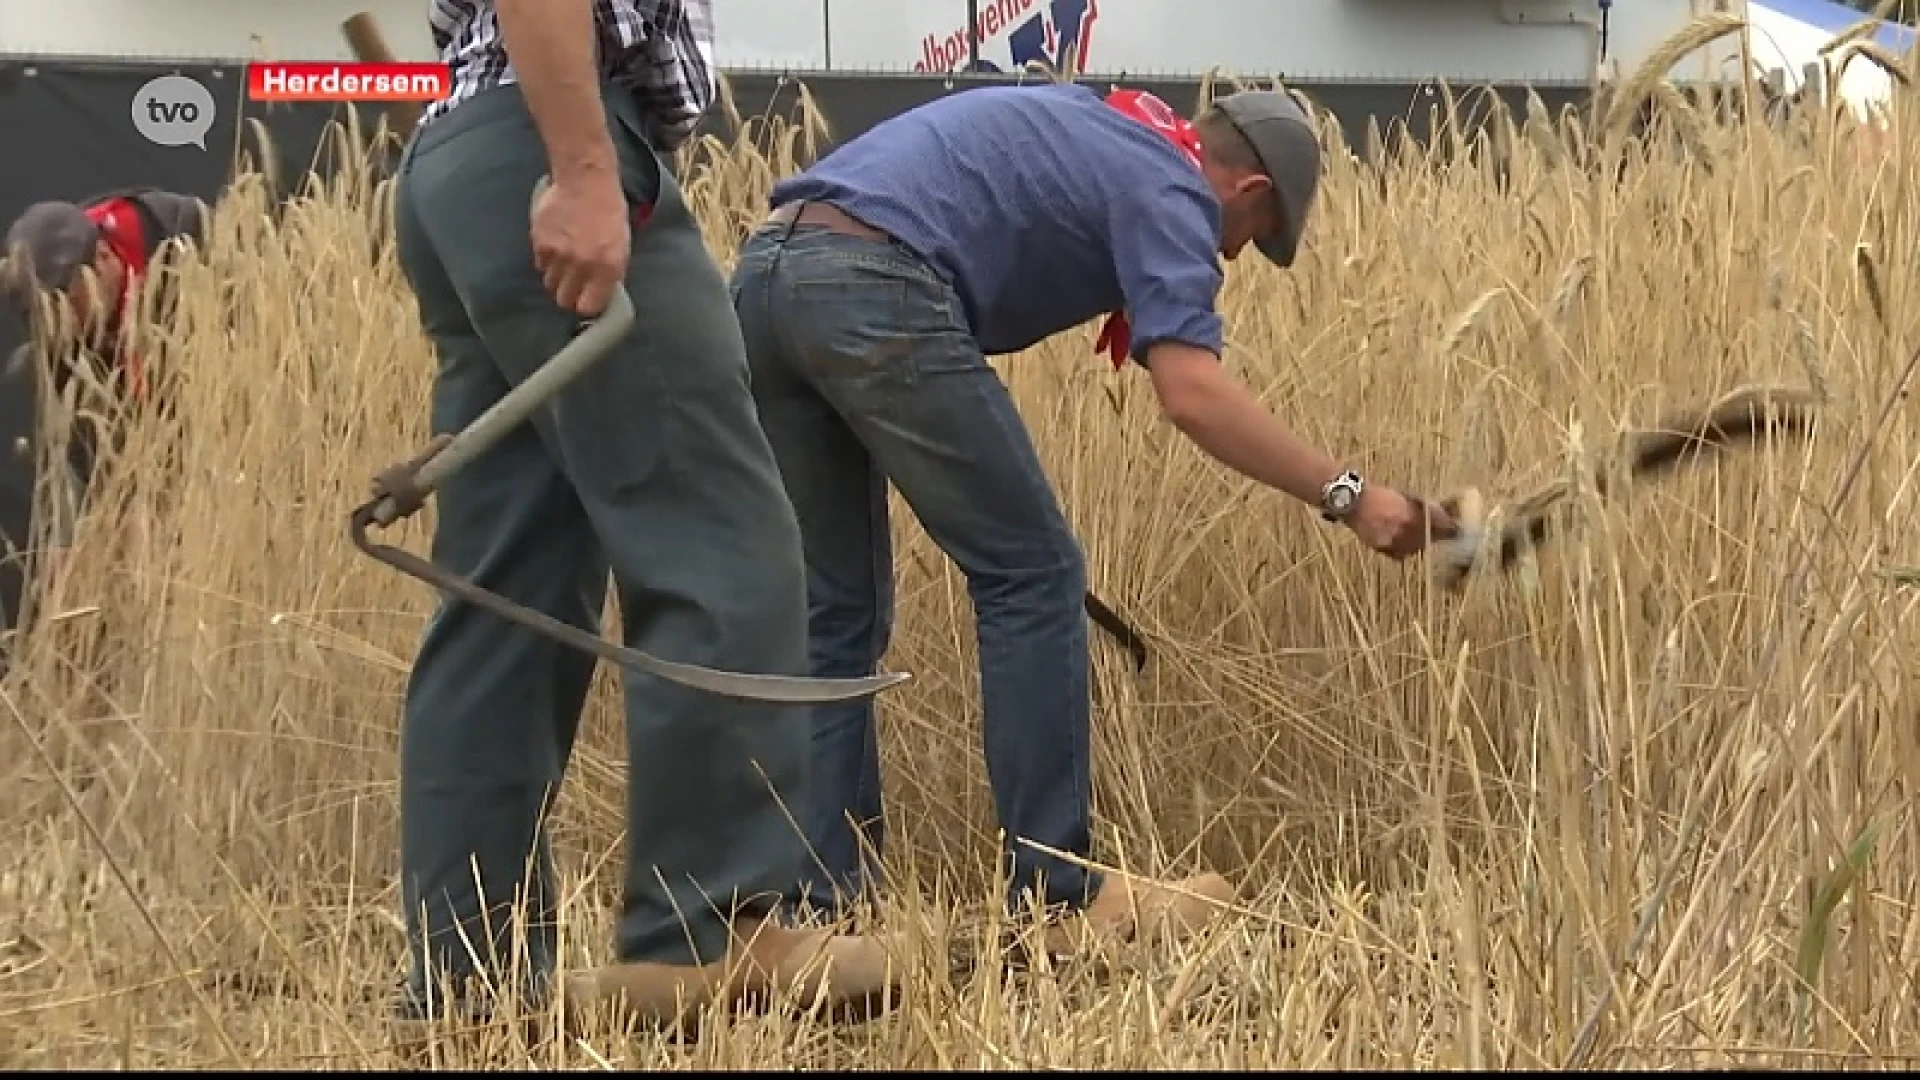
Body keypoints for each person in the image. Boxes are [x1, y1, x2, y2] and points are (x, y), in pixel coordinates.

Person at [729, 83, 1456, 950]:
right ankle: (1056, 893)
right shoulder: (1175, 188)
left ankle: (822, 910)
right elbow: (1191, 394)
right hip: (875, 285)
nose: (1230, 257)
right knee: (1033, 576)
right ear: (1251, 193)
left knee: (833, 613)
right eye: (1250, 242)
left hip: (769, 271)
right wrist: (1352, 497)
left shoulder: (1110, 130)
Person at [385, 0, 898, 1029]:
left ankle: (468, 983)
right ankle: (721, 923)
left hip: (468, 157)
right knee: (726, 543)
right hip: (550, 147)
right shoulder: (567, 154)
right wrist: (582, 171)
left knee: (506, 596)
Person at [1, 188, 207, 615]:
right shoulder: (57, 329)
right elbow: (75, 444)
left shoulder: (188, 238)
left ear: (102, 258)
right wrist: (72, 542)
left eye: (67, 307)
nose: (64, 328)